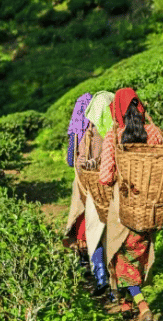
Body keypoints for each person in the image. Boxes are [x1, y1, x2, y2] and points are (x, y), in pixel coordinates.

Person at [99, 88, 163, 321]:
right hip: (148, 206)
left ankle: (142, 305)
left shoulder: (113, 136)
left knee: (118, 255)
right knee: (136, 254)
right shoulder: (153, 133)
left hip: (124, 207)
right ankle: (127, 304)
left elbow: (105, 176)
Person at [64, 92, 110, 296]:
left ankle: (99, 276)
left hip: (89, 184)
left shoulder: (83, 132)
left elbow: (71, 160)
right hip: (114, 186)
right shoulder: (116, 129)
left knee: (92, 229)